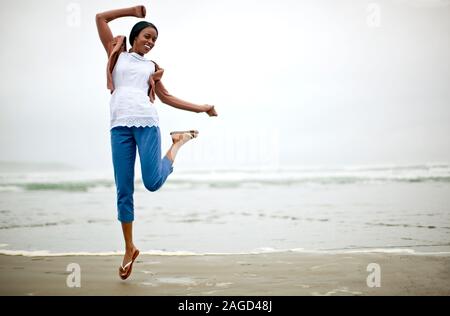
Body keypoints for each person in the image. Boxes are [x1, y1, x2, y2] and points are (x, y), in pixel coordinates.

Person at [95, 5, 217, 280]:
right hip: (119, 128)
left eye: (154, 40)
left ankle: (177, 143)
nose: (150, 43)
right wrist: (132, 11)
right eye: (147, 36)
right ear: (135, 36)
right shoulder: (116, 54)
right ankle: (129, 249)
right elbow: (100, 18)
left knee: (152, 183)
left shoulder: (152, 67)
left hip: (147, 124)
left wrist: (202, 107)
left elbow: (167, 98)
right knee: (123, 191)